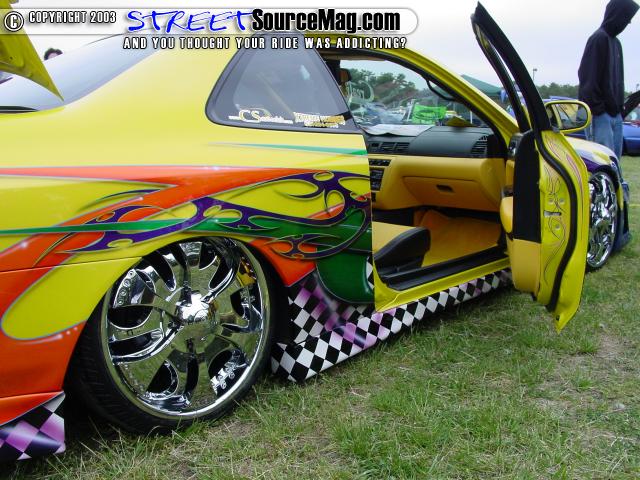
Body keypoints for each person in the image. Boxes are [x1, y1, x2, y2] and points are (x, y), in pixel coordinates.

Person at [578, 0, 638, 159]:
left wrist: (620, 110)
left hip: (615, 115)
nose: (628, 22)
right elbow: (587, 78)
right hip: (600, 115)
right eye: (627, 17)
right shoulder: (598, 39)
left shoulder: (616, 43)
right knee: (602, 161)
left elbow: (619, 82)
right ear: (617, 14)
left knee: (613, 162)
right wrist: (599, 109)